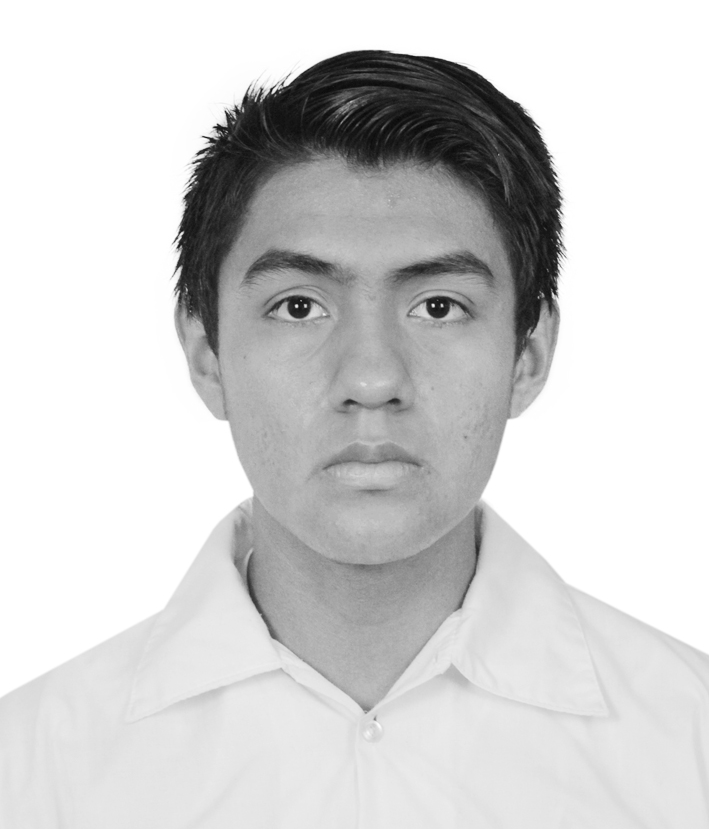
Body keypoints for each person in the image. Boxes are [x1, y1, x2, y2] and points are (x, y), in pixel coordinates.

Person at [1, 50, 707, 828]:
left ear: (528, 354)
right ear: (205, 354)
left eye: (437, 306)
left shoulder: (687, 749)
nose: (371, 379)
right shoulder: (32, 773)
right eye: (299, 306)